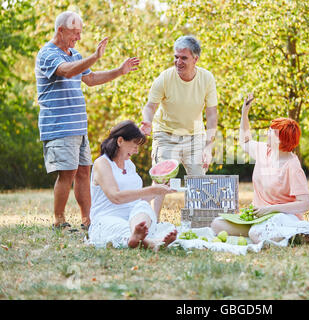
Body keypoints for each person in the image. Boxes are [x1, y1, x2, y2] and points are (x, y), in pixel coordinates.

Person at [35, 11, 140, 230]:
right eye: (75, 33)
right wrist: (93, 57)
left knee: (84, 171)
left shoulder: (74, 54)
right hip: (59, 126)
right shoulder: (47, 54)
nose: (79, 38)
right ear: (60, 31)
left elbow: (90, 79)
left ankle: (87, 220)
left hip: (78, 126)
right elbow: (65, 72)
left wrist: (119, 71)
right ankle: (59, 220)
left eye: (80, 33)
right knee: (67, 173)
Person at [211, 94, 309, 244]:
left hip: (283, 217)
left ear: (280, 139)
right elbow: (245, 141)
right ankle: (279, 235)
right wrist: (244, 113)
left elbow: (304, 203)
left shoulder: (292, 166)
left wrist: (271, 209)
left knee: (255, 233)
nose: (267, 133)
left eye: (271, 131)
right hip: (260, 216)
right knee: (217, 224)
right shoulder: (264, 151)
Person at [140, 35, 218, 216]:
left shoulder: (207, 78)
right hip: (166, 134)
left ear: (195, 59)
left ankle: (198, 223)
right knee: (161, 181)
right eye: (176, 57)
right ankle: (153, 221)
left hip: (195, 135)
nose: (178, 62)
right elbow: (150, 107)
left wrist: (209, 145)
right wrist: (147, 121)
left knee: (199, 180)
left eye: (184, 58)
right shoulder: (165, 78)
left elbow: (212, 113)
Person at [88, 120, 178, 250]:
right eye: (134, 145)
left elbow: (138, 199)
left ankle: (138, 237)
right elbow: (116, 197)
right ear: (120, 141)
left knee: (143, 206)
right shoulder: (102, 163)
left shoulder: (130, 165)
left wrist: (158, 190)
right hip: (107, 218)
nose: (136, 151)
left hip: (133, 218)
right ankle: (150, 242)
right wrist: (150, 189)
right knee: (123, 228)